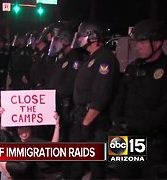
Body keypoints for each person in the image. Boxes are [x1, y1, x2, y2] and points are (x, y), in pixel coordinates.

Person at [111, 19, 167, 179]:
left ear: (156, 43)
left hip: (154, 143)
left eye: (142, 42)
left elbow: (163, 111)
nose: (137, 46)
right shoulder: (132, 67)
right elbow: (120, 96)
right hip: (127, 137)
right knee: (124, 174)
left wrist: (137, 125)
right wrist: (116, 121)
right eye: (137, 42)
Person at [68, 21, 120, 179]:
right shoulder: (92, 57)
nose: (81, 39)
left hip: (94, 122)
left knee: (96, 164)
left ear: (93, 37)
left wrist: (86, 123)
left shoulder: (105, 58)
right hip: (82, 116)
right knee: (77, 161)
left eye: (83, 35)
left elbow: (101, 95)